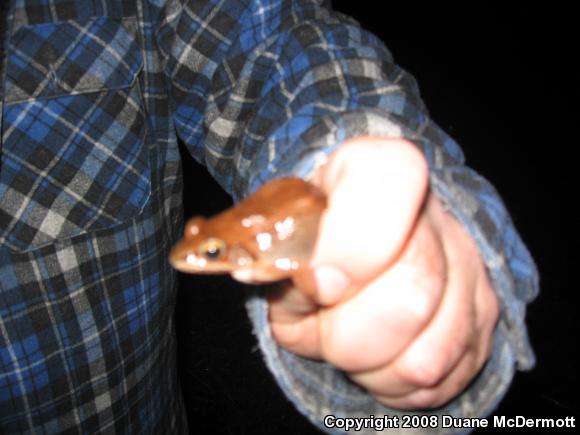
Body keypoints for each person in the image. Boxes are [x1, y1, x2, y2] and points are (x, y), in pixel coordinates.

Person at [0, 0, 538, 433]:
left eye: (205, 247)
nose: (198, 254)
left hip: (287, 230)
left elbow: (270, 35)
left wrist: (360, 150)